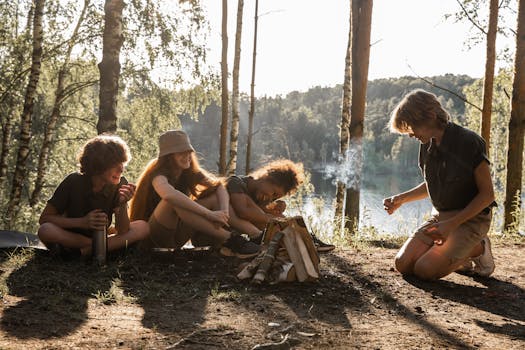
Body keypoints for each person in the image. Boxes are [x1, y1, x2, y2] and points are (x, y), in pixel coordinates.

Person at [383, 89, 496, 280]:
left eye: (412, 127)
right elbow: (433, 184)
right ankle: (457, 253)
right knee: (403, 264)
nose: (410, 134)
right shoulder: (426, 144)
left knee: (425, 270)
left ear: (430, 116)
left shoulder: (469, 142)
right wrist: (401, 199)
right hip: (441, 218)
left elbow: (487, 195)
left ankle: (478, 247)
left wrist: (452, 224)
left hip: (471, 220)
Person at [129, 130, 260, 259]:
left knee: (214, 197)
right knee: (174, 200)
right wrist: (209, 214)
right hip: (153, 237)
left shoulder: (188, 171)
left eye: (188, 151)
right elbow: (169, 195)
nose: (186, 156)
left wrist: (223, 212)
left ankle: (256, 234)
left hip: (177, 236)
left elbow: (219, 186)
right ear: (168, 156)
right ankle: (230, 239)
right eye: (181, 152)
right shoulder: (158, 175)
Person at [38, 135, 150, 259]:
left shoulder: (120, 184)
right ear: (98, 164)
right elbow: (45, 219)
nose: (121, 169)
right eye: (115, 164)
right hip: (70, 236)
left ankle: (83, 252)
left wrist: (123, 204)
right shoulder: (73, 181)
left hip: (100, 235)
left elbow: (122, 230)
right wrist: (82, 222)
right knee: (45, 230)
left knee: (143, 227)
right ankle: (99, 247)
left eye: (122, 163)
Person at [225, 159, 335, 252]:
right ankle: (303, 240)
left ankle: (306, 238)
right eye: (273, 193)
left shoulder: (259, 196)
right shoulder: (236, 183)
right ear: (266, 177)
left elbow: (258, 211)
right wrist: (271, 218)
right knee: (273, 219)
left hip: (237, 232)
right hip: (222, 234)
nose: (270, 199)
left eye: (275, 197)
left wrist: (276, 208)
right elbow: (242, 211)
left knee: (279, 217)